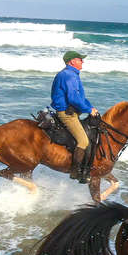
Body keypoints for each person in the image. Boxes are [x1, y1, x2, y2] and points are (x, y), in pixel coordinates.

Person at [51, 50, 99, 182]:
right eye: (80, 59)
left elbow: (80, 98)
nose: (82, 61)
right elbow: (73, 98)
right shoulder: (68, 75)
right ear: (72, 61)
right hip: (66, 114)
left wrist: (90, 107)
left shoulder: (72, 74)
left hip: (73, 111)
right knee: (83, 141)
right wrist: (88, 109)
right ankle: (75, 171)